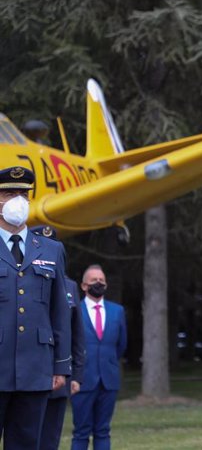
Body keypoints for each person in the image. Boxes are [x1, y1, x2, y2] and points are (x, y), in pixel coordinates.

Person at [0, 166, 71, 449]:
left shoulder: (51, 250)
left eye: (23, 194)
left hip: (35, 370)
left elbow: (60, 312)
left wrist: (61, 366)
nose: (18, 200)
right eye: (9, 193)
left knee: (28, 444)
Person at [28, 227, 86, 450]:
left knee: (49, 440)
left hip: (58, 378)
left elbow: (76, 334)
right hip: (29, 375)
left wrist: (76, 375)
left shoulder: (70, 287)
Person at [71, 265, 127, 450]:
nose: (99, 283)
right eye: (94, 280)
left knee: (103, 431)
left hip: (108, 380)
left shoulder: (117, 311)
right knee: (81, 432)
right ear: (84, 286)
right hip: (82, 380)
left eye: (102, 280)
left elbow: (121, 344)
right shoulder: (74, 310)